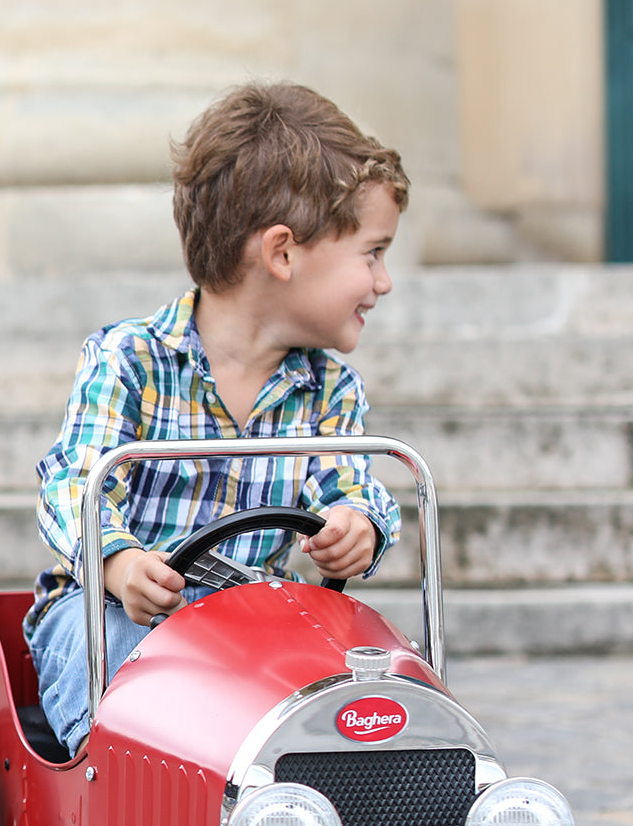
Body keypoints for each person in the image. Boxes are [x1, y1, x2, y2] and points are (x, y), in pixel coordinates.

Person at [24, 80, 408, 756]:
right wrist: (117, 561)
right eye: (372, 254)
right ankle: (133, 785)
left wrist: (359, 525)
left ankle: (335, 795)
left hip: (250, 627)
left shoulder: (326, 390)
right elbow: (73, 484)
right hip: (119, 613)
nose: (382, 281)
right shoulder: (132, 360)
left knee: (355, 657)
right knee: (123, 650)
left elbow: (348, 484)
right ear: (282, 253)